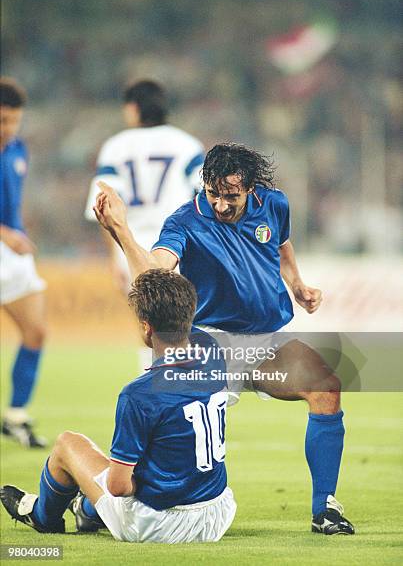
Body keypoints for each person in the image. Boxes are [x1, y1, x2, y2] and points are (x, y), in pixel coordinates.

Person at [91, 142, 355, 536]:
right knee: (172, 429)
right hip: (208, 343)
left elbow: (281, 245)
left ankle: (325, 509)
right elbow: (156, 273)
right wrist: (122, 232)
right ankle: (95, 504)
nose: (220, 204)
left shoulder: (275, 204)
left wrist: (296, 283)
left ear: (251, 187)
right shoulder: (184, 221)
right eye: (213, 193)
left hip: (267, 342)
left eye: (230, 196)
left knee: (326, 388)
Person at [0, 269, 236, 543]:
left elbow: (119, 487)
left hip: (160, 526)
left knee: (68, 444)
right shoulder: (214, 354)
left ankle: (43, 515)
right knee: (157, 454)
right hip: (216, 512)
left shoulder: (138, 394)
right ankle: (86, 511)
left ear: (146, 328)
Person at [85, 79, 204, 293]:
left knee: (148, 320)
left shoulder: (115, 147)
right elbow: (205, 198)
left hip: (130, 245)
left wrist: (114, 256)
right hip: (177, 245)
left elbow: (104, 207)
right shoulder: (186, 144)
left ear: (133, 108)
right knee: (184, 319)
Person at [0, 77, 47, 448]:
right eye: (1, 120)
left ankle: (15, 416)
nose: (8, 128)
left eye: (13, 120)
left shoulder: (18, 150)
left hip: (12, 254)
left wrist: (15, 232)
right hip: (5, 242)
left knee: (36, 332)